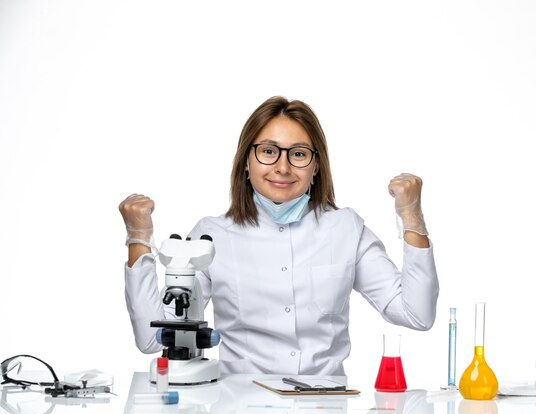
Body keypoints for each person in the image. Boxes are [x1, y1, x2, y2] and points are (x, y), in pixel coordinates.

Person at [120, 96, 439, 376]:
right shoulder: (211, 236)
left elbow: (416, 313)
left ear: (316, 166)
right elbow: (153, 339)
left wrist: (411, 216)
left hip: (324, 406)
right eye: (269, 151)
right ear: (247, 162)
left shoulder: (345, 229)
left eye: (298, 154)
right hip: (240, 407)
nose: (283, 167)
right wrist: (139, 237)